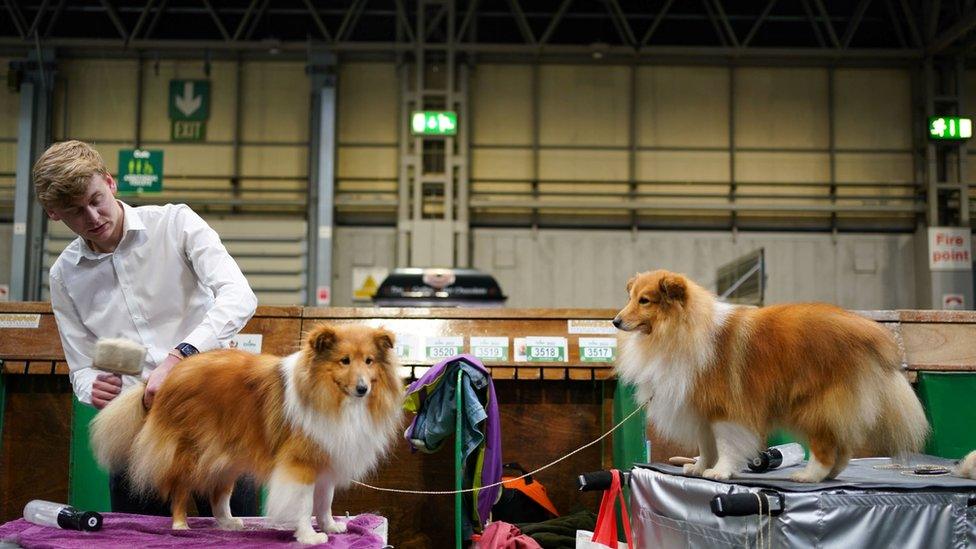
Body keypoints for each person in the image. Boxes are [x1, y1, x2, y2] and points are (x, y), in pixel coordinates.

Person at [33, 140, 260, 516]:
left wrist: (180, 355)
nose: (92, 217)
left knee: (234, 537)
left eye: (96, 199)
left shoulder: (176, 223)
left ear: (110, 182)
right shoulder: (64, 276)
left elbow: (239, 296)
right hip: (134, 435)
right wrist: (92, 385)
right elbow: (81, 365)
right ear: (54, 214)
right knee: (136, 538)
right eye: (75, 211)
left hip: (218, 420)